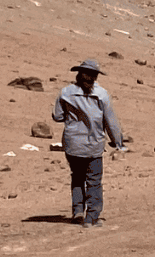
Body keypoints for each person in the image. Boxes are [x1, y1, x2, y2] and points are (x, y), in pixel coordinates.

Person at [52, 59, 126, 228]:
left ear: (78, 74)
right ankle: (91, 217)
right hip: (93, 144)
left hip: (72, 144)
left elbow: (57, 116)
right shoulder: (102, 94)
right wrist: (117, 141)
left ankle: (77, 212)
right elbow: (110, 121)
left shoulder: (65, 92)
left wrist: (73, 118)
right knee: (94, 180)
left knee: (77, 178)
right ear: (95, 77)